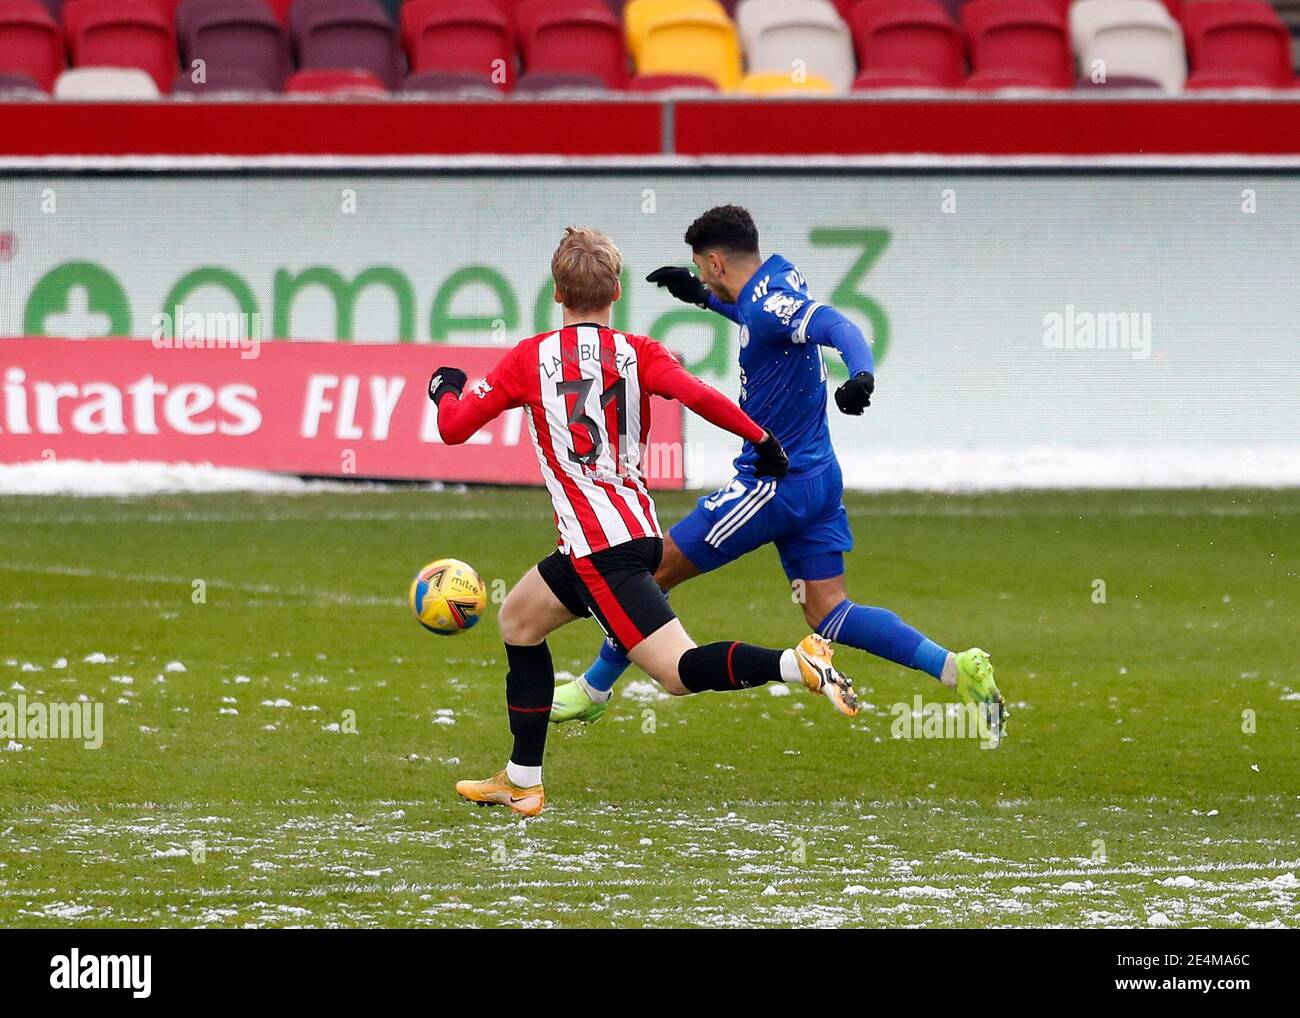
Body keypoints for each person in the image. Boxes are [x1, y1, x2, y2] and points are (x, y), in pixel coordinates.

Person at [430, 226, 860, 817]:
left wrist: (445, 390)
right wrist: (760, 437)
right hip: (625, 535)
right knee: (518, 621)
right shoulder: (641, 351)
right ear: (617, 291)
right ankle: (521, 779)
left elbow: (453, 429)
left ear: (557, 294)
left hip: (598, 551)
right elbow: (698, 395)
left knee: (679, 673)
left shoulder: (527, 360)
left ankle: (796, 662)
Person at [550, 206, 1006, 740]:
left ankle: (595, 688)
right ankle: (956, 667)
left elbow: (838, 325)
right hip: (818, 479)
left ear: (717, 260)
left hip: (773, 485)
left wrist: (861, 375)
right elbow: (761, 320)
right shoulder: (773, 281)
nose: (700, 277)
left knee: (653, 572)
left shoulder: (770, 302)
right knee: (828, 611)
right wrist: (703, 299)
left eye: (701, 270)